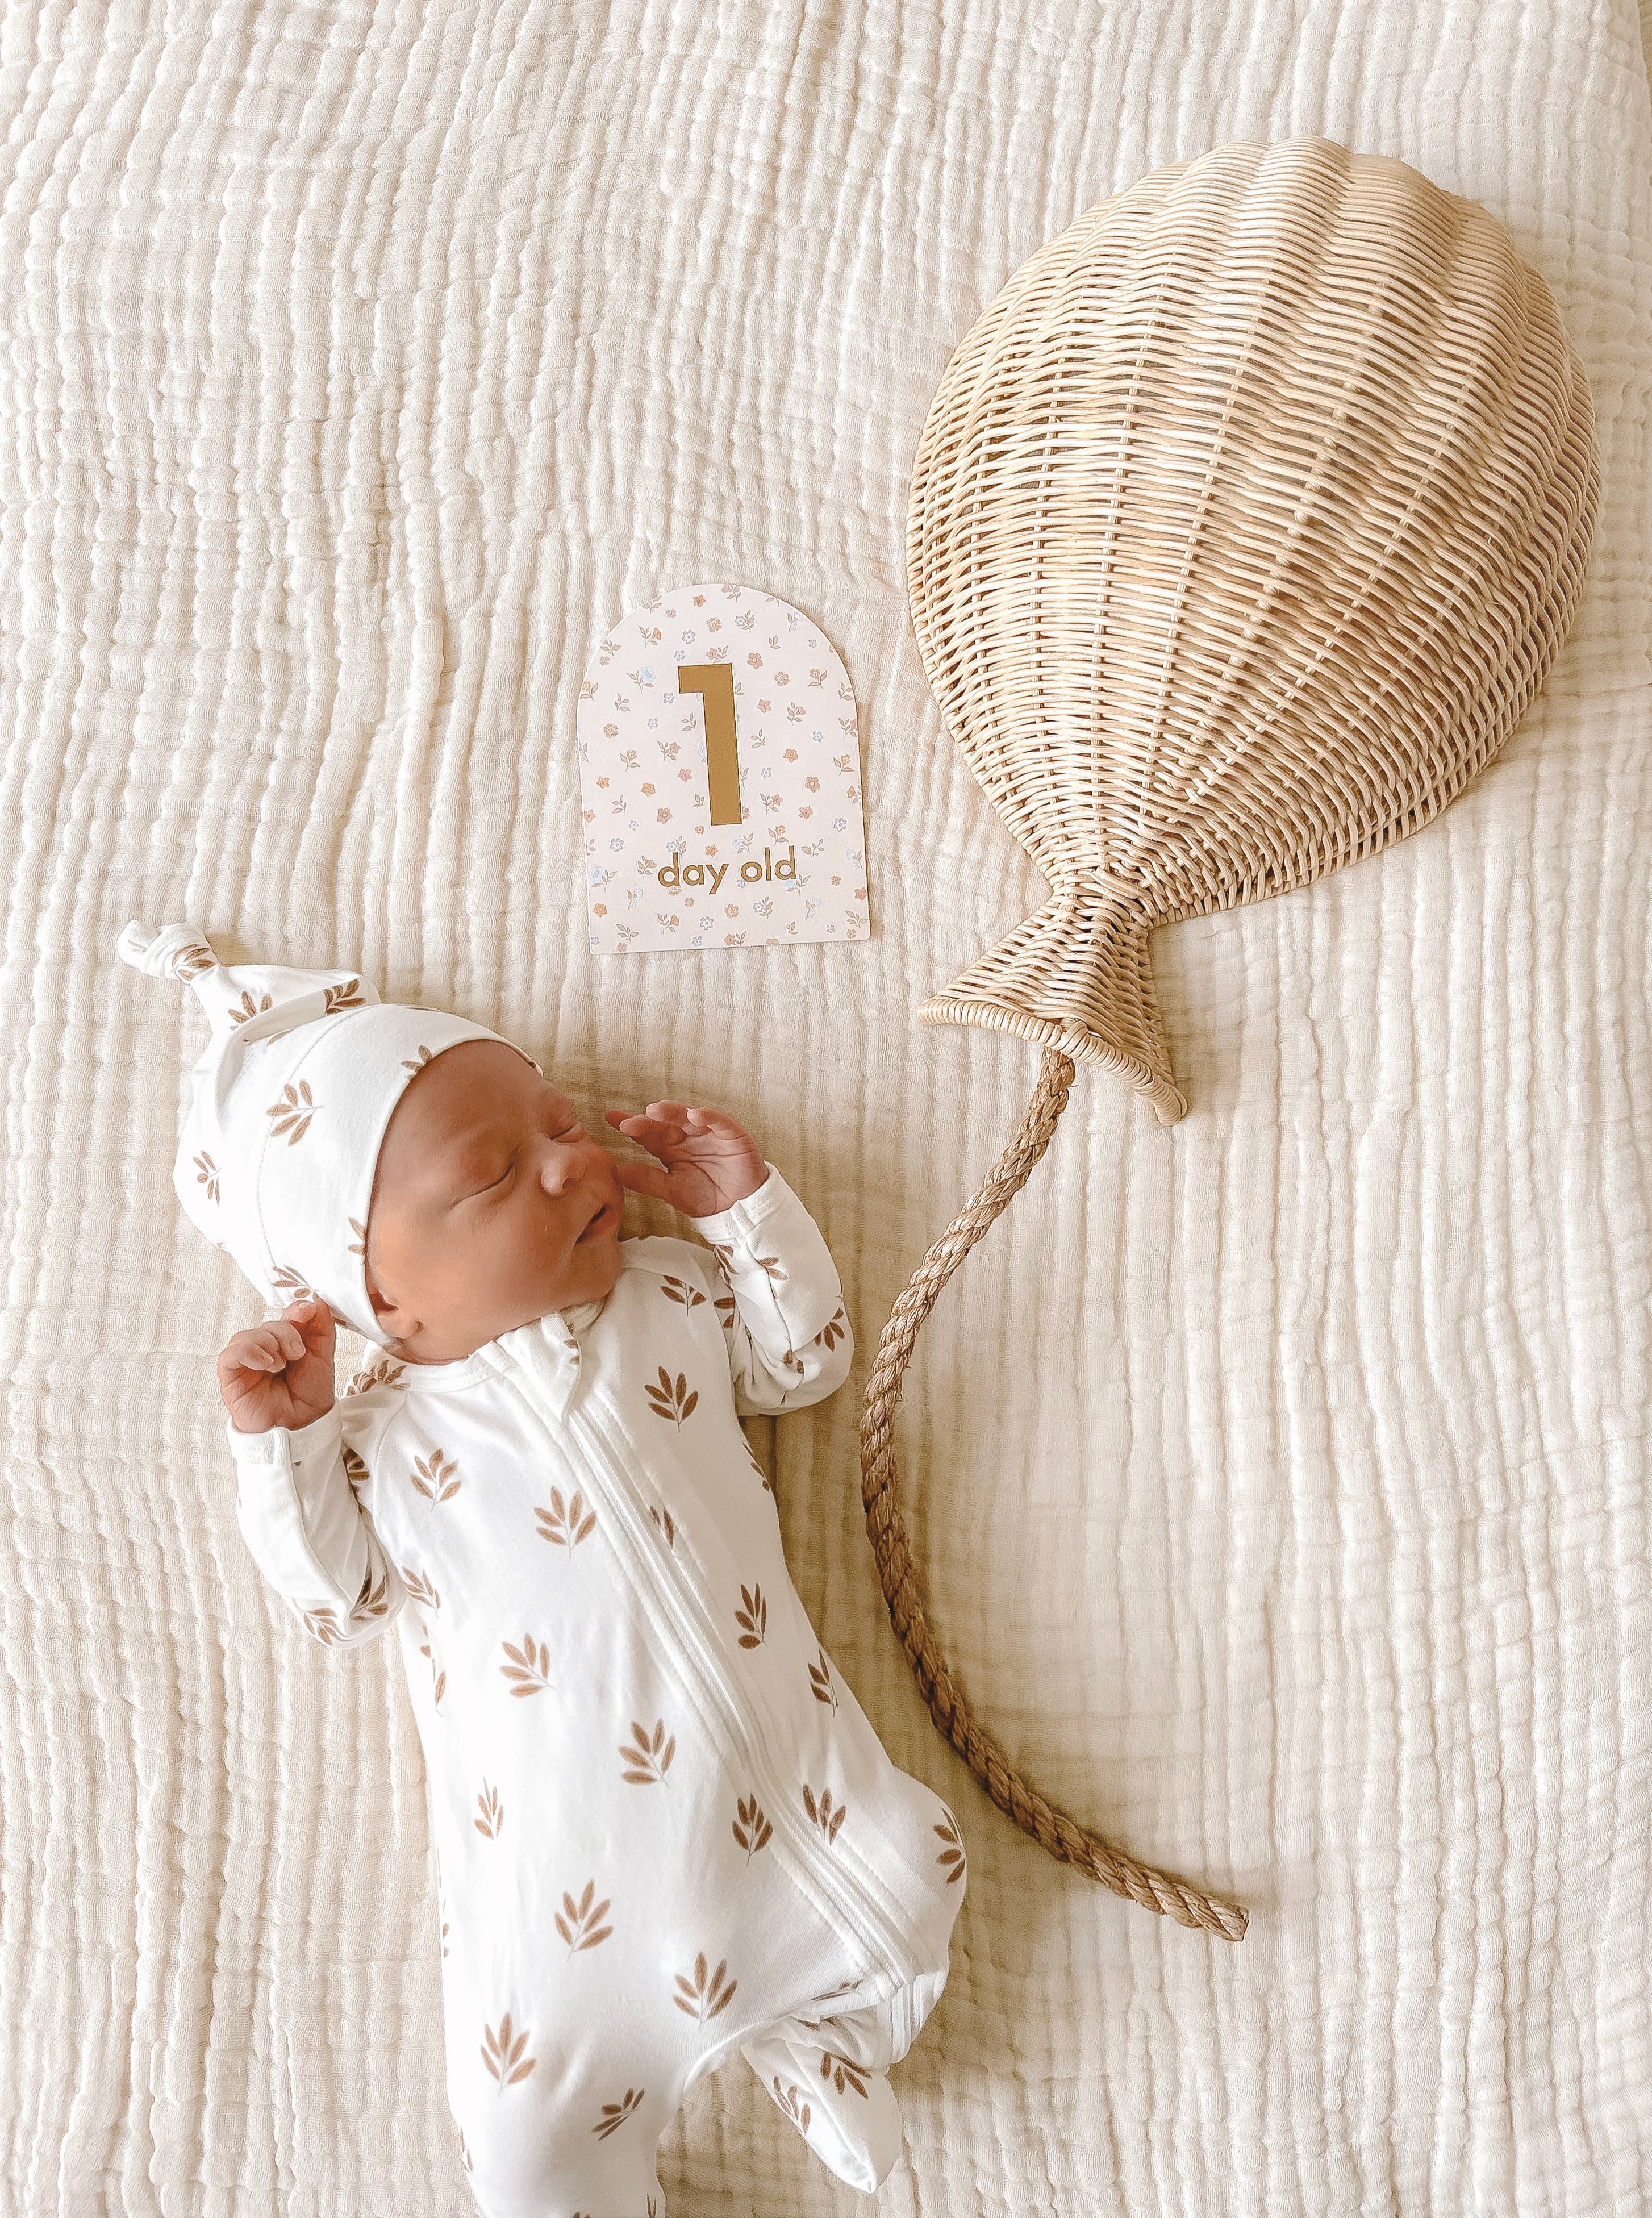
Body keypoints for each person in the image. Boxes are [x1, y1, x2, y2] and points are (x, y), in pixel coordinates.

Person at [117, 920, 965, 2217]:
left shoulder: (669, 1299)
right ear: (376, 1294)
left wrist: (744, 1208)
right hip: (559, 1900)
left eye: (563, 1122)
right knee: (522, 2132)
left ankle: (819, 2033)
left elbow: (805, 1362)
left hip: (789, 1807)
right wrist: (279, 1447)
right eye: (497, 1169)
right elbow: (329, 1598)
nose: (578, 1162)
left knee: (914, 1867)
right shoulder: (377, 1439)